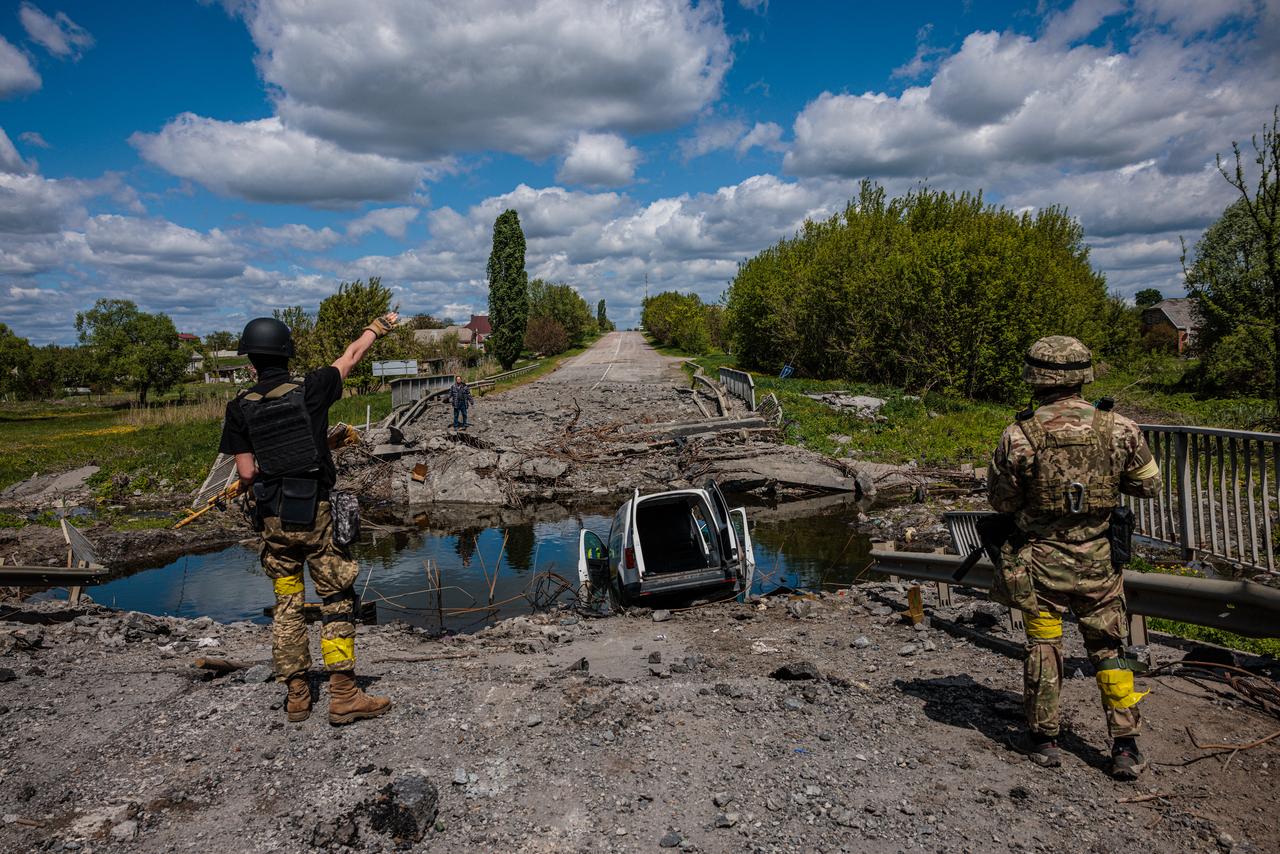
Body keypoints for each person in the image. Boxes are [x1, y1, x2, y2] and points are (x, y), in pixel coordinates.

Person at [987, 335, 1162, 780]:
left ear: (1035, 376)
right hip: (1100, 562)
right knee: (1108, 648)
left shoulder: (1019, 433)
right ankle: (1124, 746)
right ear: (1084, 374)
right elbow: (1149, 485)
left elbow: (1002, 501)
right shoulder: (1119, 428)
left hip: (1041, 562)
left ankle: (1044, 739)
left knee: (1044, 643)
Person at [219, 312, 398, 726]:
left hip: (272, 518)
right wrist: (376, 327)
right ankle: (342, 694)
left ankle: (297, 697)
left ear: (251, 363)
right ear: (287, 354)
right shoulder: (313, 388)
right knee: (335, 598)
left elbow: (246, 473)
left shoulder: (238, 407)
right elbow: (351, 357)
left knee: (287, 602)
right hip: (314, 512)